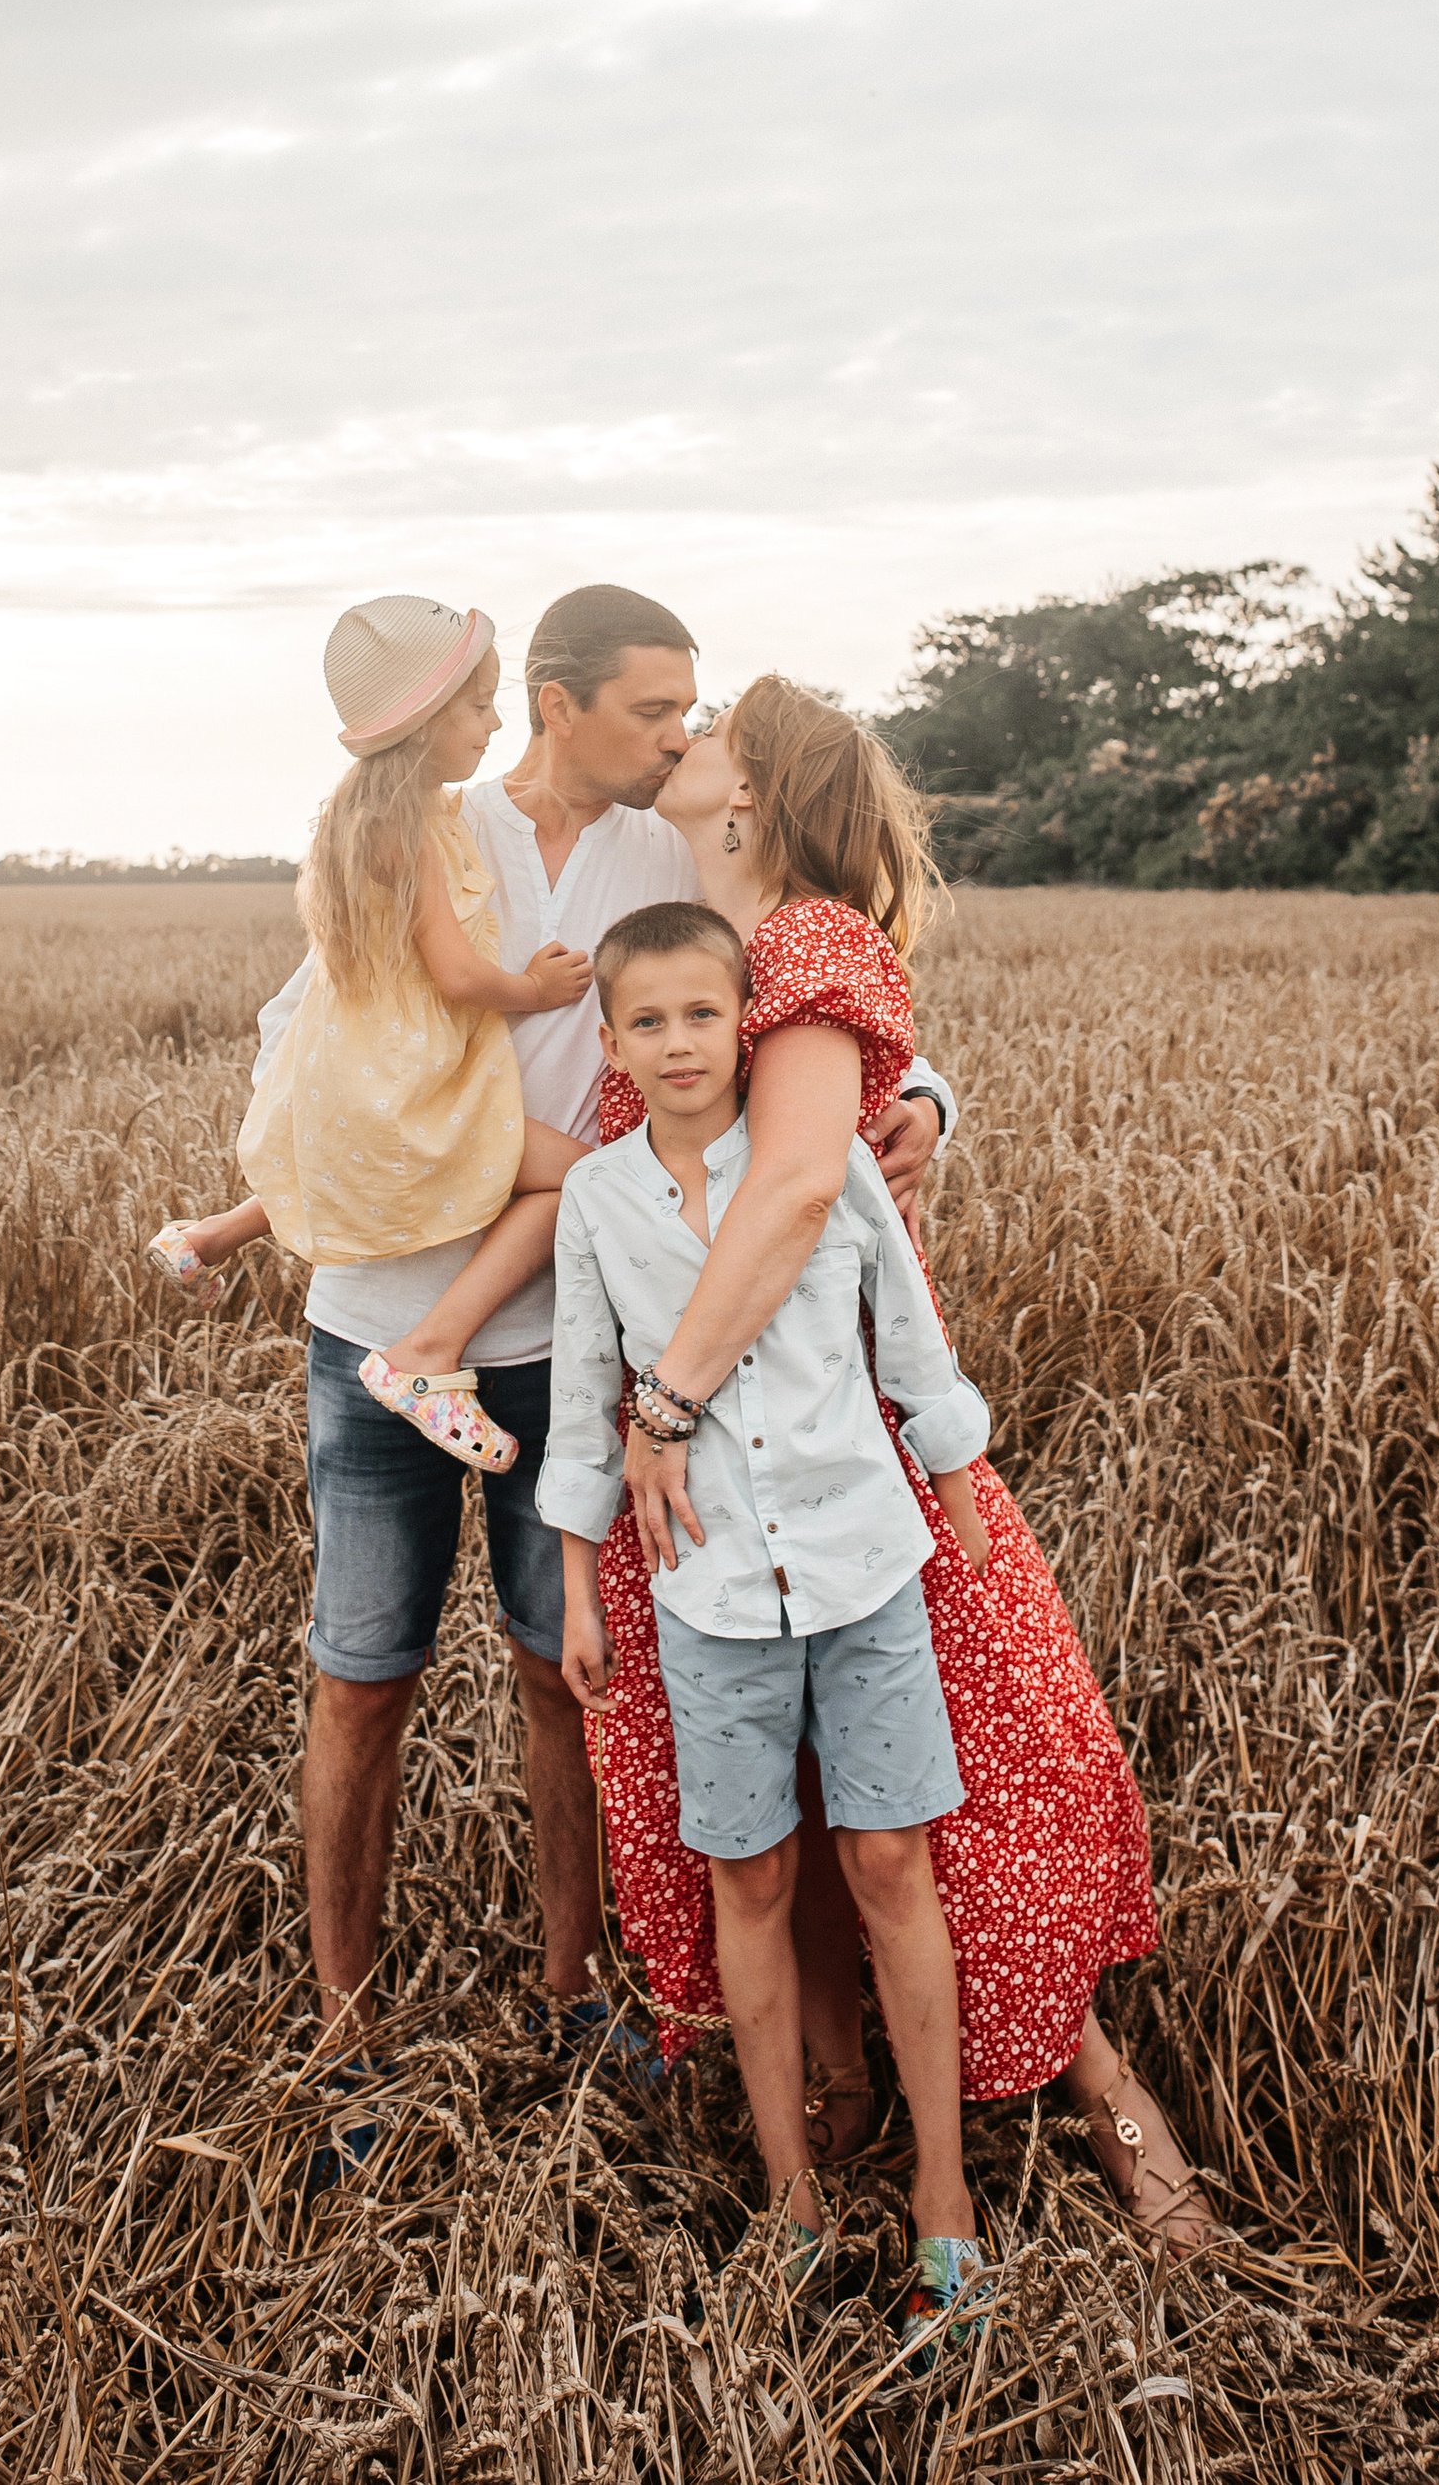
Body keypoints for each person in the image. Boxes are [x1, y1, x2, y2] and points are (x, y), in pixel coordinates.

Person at [243, 584, 956, 2071]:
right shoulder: (433, 830)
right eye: (653, 710)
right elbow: (303, 1028)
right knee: (361, 1678)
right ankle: (345, 2029)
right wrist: (448, 1152)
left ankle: (574, 1994)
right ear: (555, 706)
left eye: (691, 714)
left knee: (561, 1677)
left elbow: (805, 980)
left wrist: (927, 1100)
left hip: (563, 1348)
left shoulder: (660, 849)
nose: (681, 736)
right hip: (375, 1331)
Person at [589, 675, 1213, 2259]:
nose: (688, 726)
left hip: (822, 1444)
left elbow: (799, 1181)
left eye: (714, 717)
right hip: (711, 1462)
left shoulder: (804, 943)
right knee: (784, 1806)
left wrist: (658, 1409)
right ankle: (844, 2090)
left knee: (953, 1805)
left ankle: (1112, 2111)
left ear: (753, 795)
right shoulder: (706, 950)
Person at [545, 903, 997, 2343]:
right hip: (711, 1593)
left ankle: (943, 2193)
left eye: (702, 1014)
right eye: (647, 1022)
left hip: (862, 1561)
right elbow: (582, 1402)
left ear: (742, 1023)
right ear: (611, 1045)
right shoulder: (598, 1203)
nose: (679, 1045)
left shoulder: (822, 1167)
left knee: (888, 1857)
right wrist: (573, 1585)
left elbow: (908, 1330)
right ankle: (791, 2191)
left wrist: (953, 1480)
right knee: (747, 1875)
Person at [152, 594, 595, 1465]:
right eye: (476, 706)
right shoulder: (411, 829)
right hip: (410, 1071)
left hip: (350, 1059)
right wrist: (536, 990)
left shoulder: (354, 817)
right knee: (573, 1180)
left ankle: (201, 1239)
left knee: (341, 1164)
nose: (493, 721)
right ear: (424, 720)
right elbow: (457, 975)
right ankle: (426, 1356)